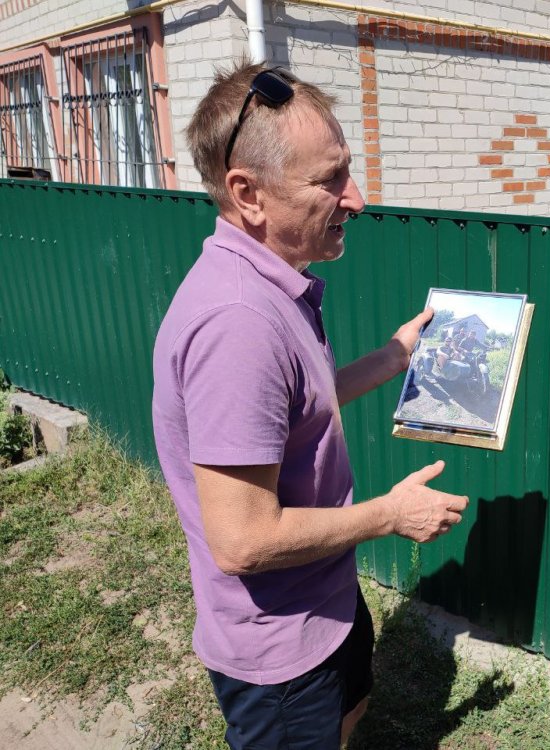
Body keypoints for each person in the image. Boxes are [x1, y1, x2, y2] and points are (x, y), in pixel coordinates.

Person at [151, 61, 469, 750]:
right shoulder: (239, 324)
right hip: (281, 645)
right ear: (249, 194)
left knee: (353, 711)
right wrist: (390, 515)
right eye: (330, 179)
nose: (357, 198)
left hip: (322, 596)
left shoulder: (271, 282)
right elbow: (242, 541)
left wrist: (392, 358)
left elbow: (295, 408)